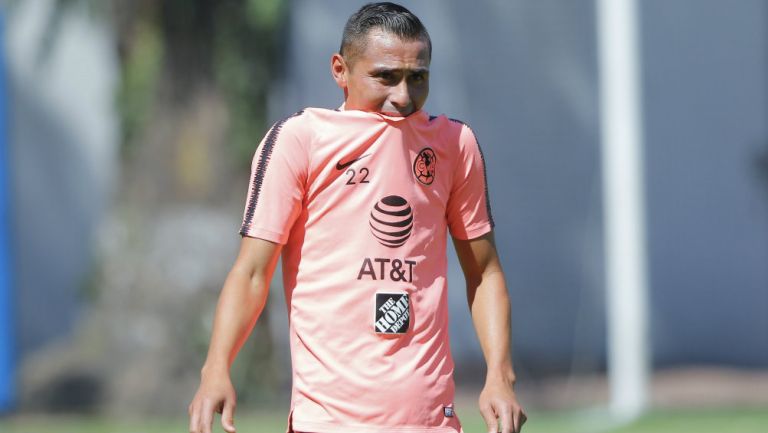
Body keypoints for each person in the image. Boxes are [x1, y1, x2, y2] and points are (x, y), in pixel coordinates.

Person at [188, 2, 526, 433]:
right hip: (327, 420)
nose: (402, 95)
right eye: (385, 76)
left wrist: (500, 376)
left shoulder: (455, 144)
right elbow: (253, 272)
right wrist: (216, 367)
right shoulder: (299, 140)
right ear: (340, 70)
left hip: (430, 421)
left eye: (417, 77)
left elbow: (484, 273)